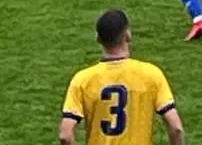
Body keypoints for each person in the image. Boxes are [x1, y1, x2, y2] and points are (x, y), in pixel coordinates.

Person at [59, 9, 184, 145]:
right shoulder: (151, 74)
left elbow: (65, 135)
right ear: (128, 35)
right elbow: (176, 128)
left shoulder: (82, 80)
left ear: (98, 38)